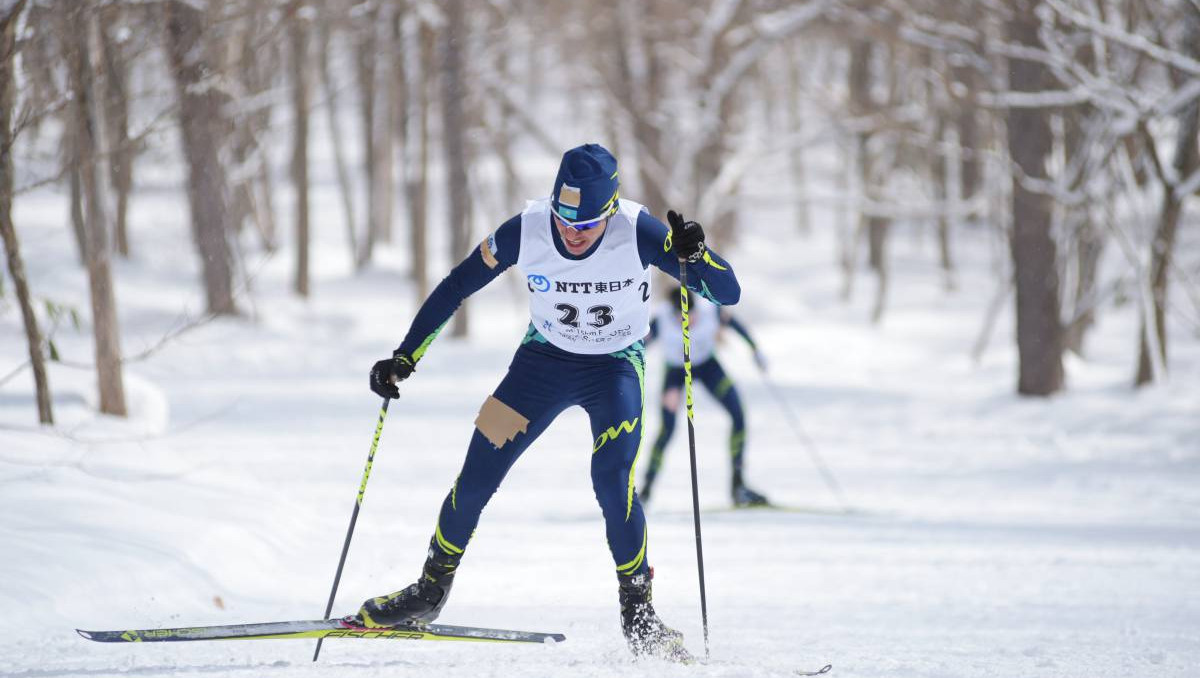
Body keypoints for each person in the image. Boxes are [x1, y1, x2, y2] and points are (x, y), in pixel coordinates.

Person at [358, 143, 741, 660]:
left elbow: (727, 292)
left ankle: (640, 614)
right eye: (564, 219)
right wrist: (406, 355)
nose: (571, 232)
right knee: (476, 473)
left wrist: (699, 256)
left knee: (612, 481)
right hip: (538, 366)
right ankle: (429, 590)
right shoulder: (527, 228)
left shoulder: (641, 230)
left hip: (614, 369)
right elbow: (455, 286)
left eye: (584, 225)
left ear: (609, 210)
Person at [639, 287, 770, 507]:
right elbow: (640, 346)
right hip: (676, 373)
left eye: (690, 315)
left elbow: (737, 326)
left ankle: (738, 486)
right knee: (667, 429)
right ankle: (645, 491)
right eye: (680, 318)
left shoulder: (710, 310)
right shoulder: (661, 319)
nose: (688, 321)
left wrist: (755, 350)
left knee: (738, 415)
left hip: (707, 367)